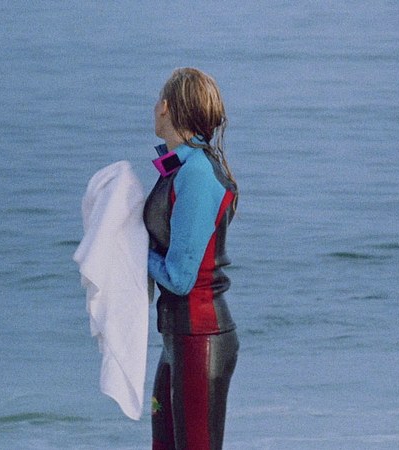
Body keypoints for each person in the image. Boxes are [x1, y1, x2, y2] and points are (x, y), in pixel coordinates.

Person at [143, 68, 240, 450]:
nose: (154, 108)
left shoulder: (197, 173)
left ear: (166, 107)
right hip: (178, 337)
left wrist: (132, 254)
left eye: (157, 101)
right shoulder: (179, 164)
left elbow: (181, 277)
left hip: (200, 335)